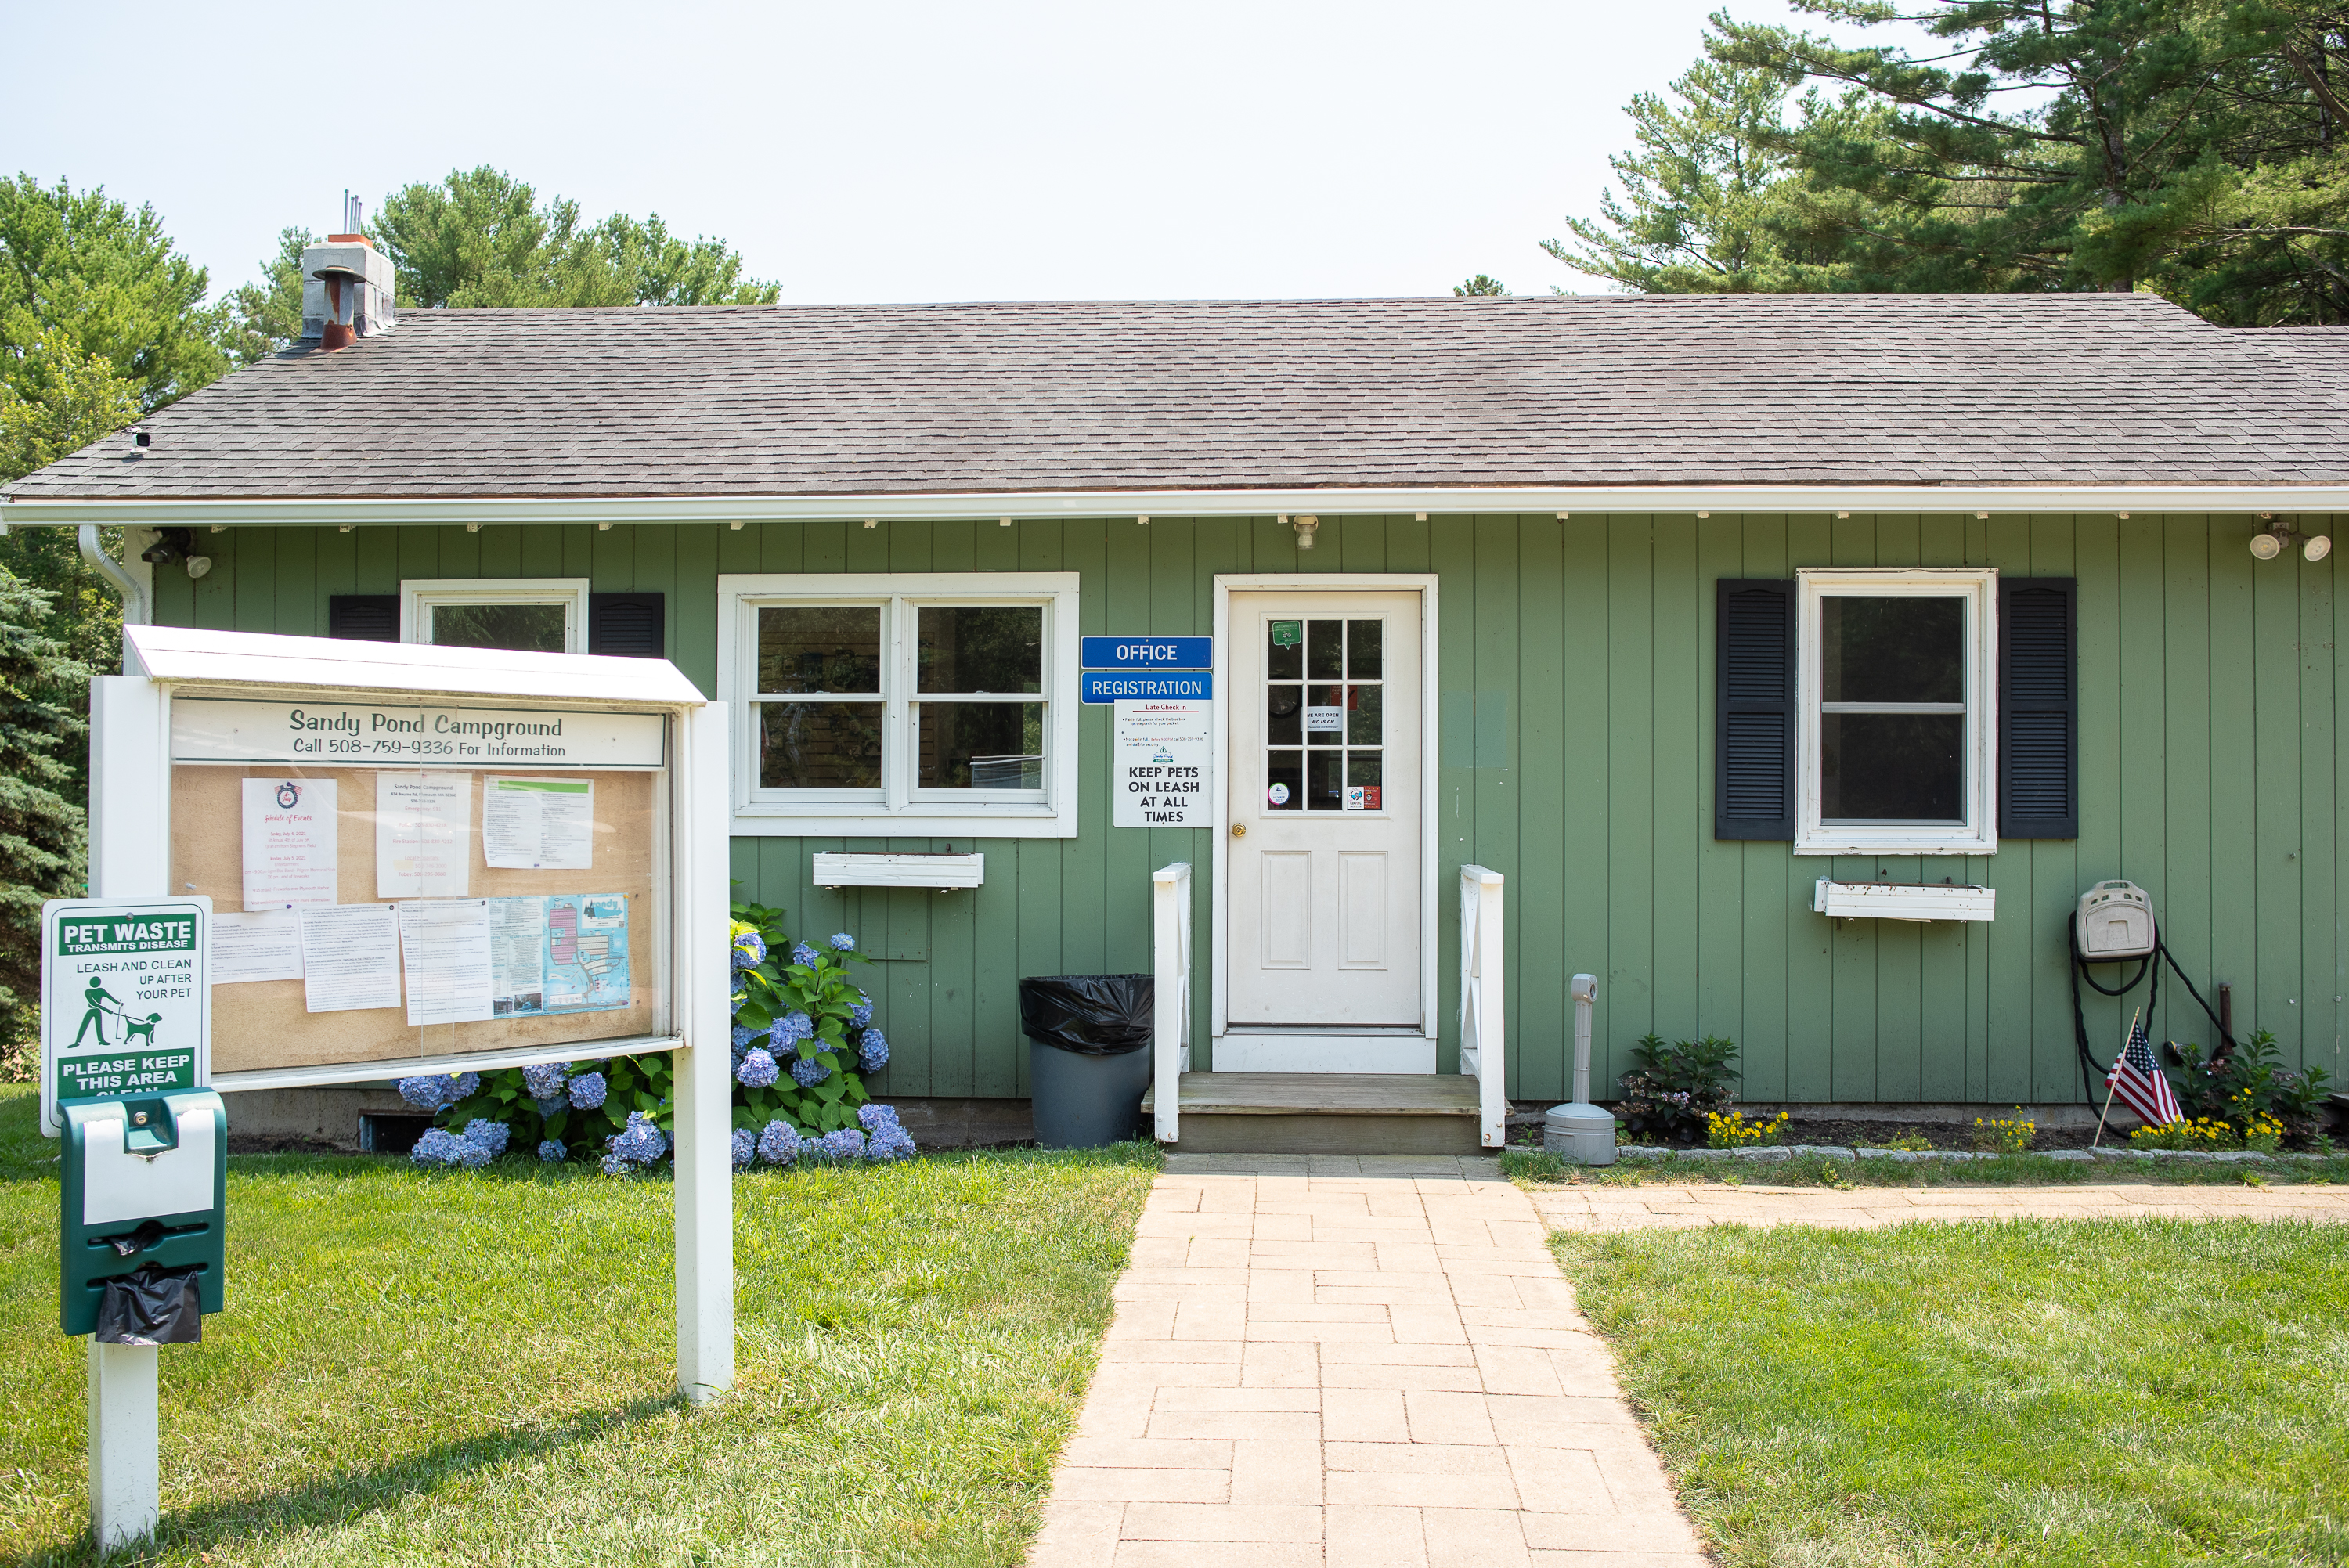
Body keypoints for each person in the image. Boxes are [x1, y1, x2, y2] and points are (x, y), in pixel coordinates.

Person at [71, 975, 124, 1047]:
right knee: (84, 1025)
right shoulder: (88, 991)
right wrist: (107, 1010)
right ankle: (77, 1042)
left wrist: (119, 1003)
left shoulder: (101, 990)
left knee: (99, 1026)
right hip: (91, 1010)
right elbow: (93, 1003)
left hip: (97, 1011)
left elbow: (111, 998)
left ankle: (101, 1041)